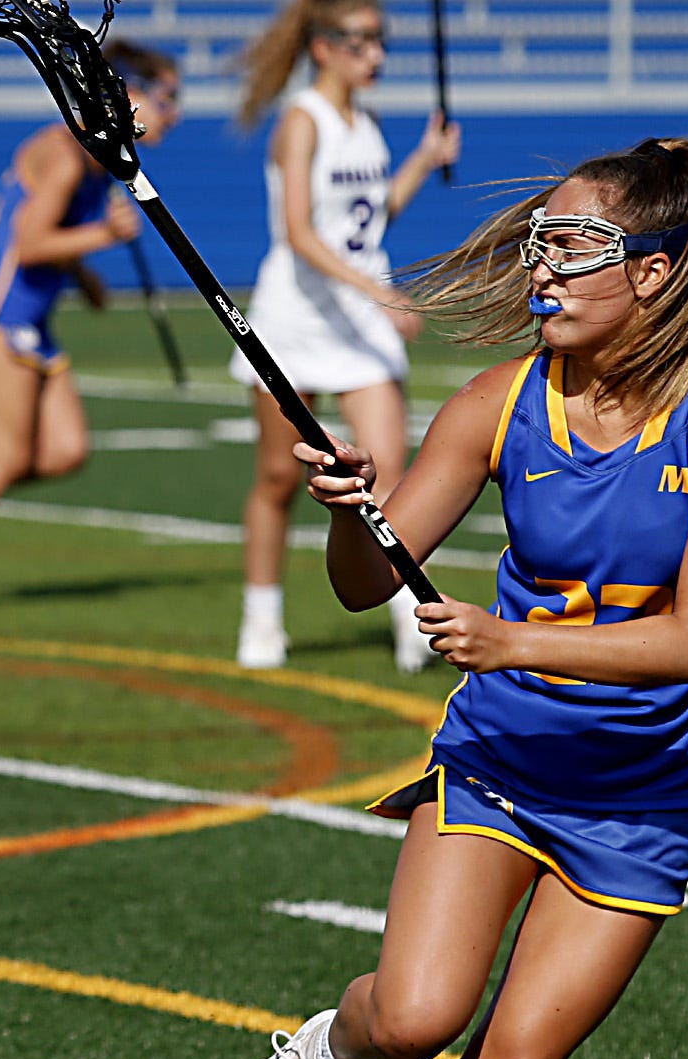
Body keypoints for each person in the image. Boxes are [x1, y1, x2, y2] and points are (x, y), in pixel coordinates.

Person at [209, 138, 688, 1059]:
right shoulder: (498, 402)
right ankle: (320, 1053)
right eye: (538, 242)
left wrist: (513, 642)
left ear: (653, 271)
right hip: (503, 757)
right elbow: (365, 584)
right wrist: (350, 509)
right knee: (413, 1018)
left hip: (644, 798)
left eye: (573, 244)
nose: (542, 264)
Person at [0, 40, 183, 615]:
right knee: (7, 455)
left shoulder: (97, 158)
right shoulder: (69, 154)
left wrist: (86, 274)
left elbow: (49, 238)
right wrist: (104, 239)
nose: (176, 112)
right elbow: (30, 241)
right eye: (166, 97)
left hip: (29, 316)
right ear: (125, 91)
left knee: (66, 450)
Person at [226, 0, 459, 670]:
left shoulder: (370, 122)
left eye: (381, 41)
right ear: (323, 47)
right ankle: (262, 618)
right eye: (360, 41)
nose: (376, 55)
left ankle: (407, 620)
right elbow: (300, 233)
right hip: (295, 317)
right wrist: (380, 291)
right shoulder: (302, 120)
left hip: (357, 323)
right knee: (277, 478)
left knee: (385, 478)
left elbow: (368, 218)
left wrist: (422, 159)